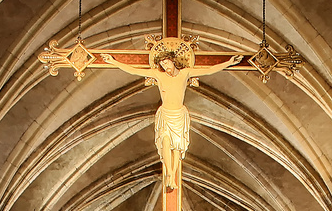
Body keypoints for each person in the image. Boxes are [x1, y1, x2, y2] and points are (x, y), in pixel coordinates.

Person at [99, 40, 243, 195]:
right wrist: (114, 62)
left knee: (177, 148)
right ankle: (168, 172)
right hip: (166, 114)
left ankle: (172, 174)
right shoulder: (159, 75)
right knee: (165, 142)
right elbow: (134, 71)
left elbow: (208, 70)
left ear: (172, 61)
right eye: (162, 64)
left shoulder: (185, 73)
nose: (165, 67)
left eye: (166, 63)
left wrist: (228, 62)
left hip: (179, 114)